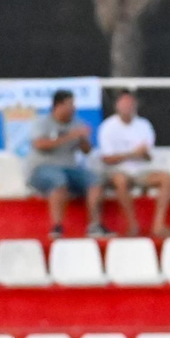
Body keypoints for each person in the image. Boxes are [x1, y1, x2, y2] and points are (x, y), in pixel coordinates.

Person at [26, 89, 107, 238]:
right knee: (58, 180)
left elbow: (87, 151)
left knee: (95, 180)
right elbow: (40, 144)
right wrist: (70, 136)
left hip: (70, 168)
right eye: (70, 104)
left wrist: (83, 139)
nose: (74, 108)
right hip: (42, 168)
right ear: (58, 106)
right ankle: (57, 227)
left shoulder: (78, 123)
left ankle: (95, 225)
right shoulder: (42, 123)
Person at [97, 92, 170, 238]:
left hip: (140, 170)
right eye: (124, 104)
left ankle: (159, 225)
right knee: (120, 180)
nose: (127, 107)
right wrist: (133, 154)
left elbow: (148, 156)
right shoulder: (107, 127)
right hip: (117, 170)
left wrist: (143, 153)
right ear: (117, 107)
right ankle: (132, 225)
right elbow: (107, 159)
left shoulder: (144, 125)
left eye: (130, 104)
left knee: (166, 178)